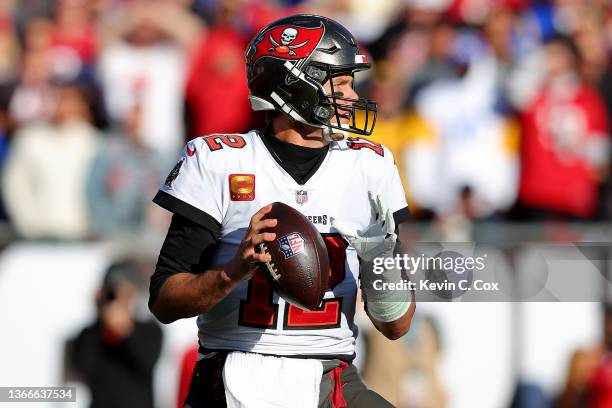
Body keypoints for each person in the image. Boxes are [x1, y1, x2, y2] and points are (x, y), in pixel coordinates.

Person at [149, 14, 415, 408]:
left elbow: (396, 326)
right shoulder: (219, 161)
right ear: (293, 85)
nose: (353, 96)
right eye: (339, 82)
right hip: (232, 371)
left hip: (331, 373)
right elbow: (164, 301)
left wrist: (379, 261)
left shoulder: (369, 167)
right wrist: (231, 272)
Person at [70, 259, 163, 408]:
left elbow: (146, 361)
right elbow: (83, 366)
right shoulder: (91, 333)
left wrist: (125, 331)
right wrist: (101, 316)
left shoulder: (150, 330)